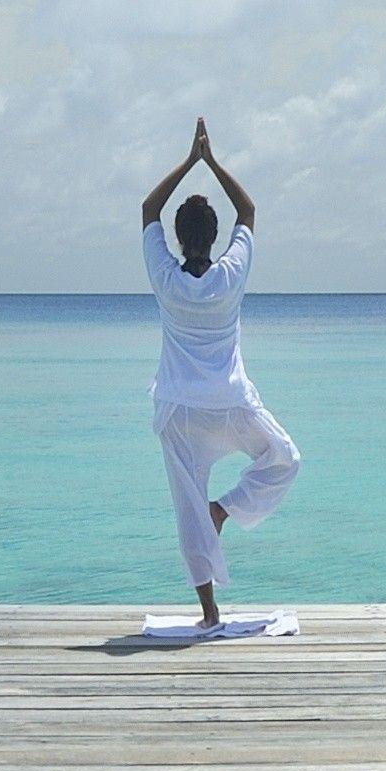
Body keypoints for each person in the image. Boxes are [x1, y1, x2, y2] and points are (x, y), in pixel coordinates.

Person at [139, 118, 297, 626]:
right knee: (283, 460)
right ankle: (223, 511)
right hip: (229, 403)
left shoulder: (166, 278)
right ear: (213, 239)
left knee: (187, 508)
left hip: (180, 410)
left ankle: (209, 612)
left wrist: (187, 163)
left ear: (180, 241)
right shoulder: (231, 275)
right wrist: (211, 161)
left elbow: (148, 210)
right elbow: (247, 211)